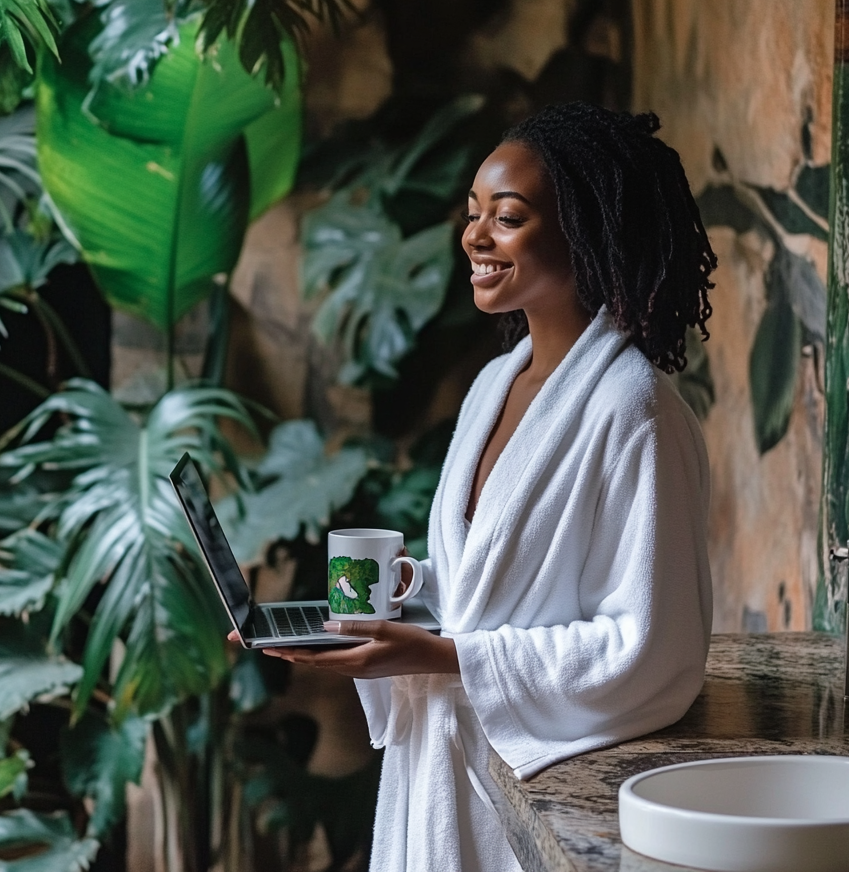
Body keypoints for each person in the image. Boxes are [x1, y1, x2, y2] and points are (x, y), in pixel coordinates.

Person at [256, 102, 716, 871]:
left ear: (586, 230)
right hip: (436, 773)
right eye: (473, 214)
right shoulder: (496, 385)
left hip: (519, 783)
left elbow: (647, 650)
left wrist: (443, 658)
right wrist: (414, 592)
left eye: (506, 217)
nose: (473, 236)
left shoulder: (633, 411)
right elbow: (503, 589)